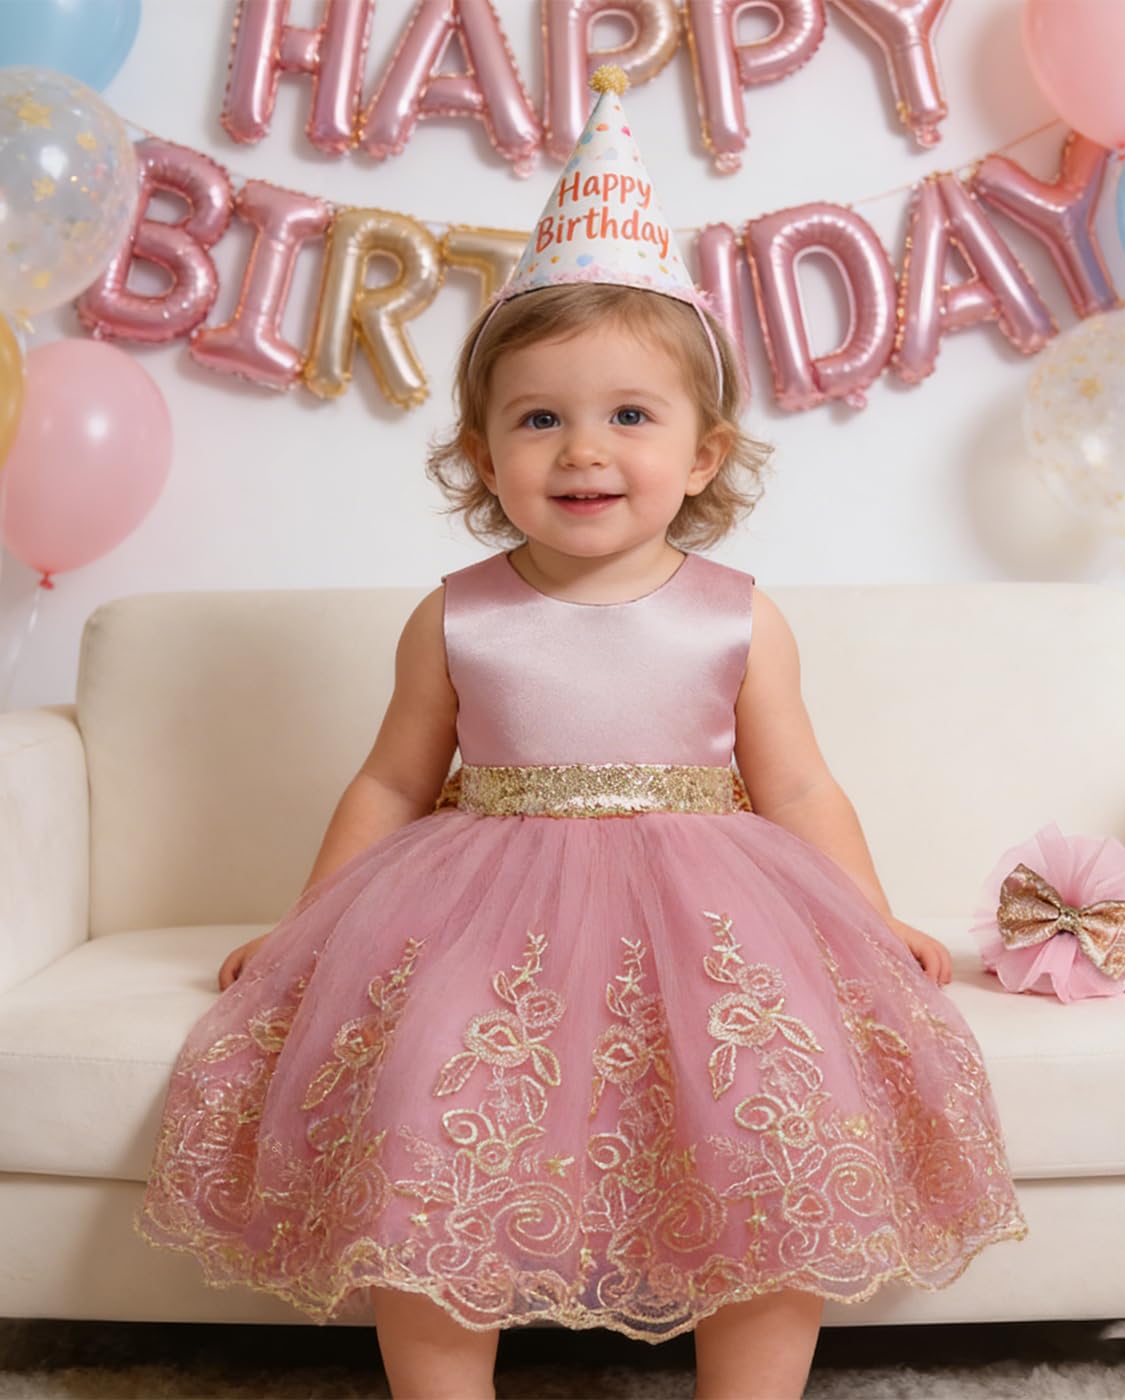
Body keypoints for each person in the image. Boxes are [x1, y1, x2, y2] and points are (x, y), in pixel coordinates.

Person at [133, 68, 1028, 1400]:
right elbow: (391, 783)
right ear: (483, 454)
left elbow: (797, 787)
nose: (582, 451)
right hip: (484, 913)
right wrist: (310, 930)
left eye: (630, 416)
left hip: (708, 914)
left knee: (767, 1119)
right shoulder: (457, 615)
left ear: (704, 453)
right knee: (432, 1105)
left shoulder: (736, 616)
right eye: (539, 419)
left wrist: (867, 917)